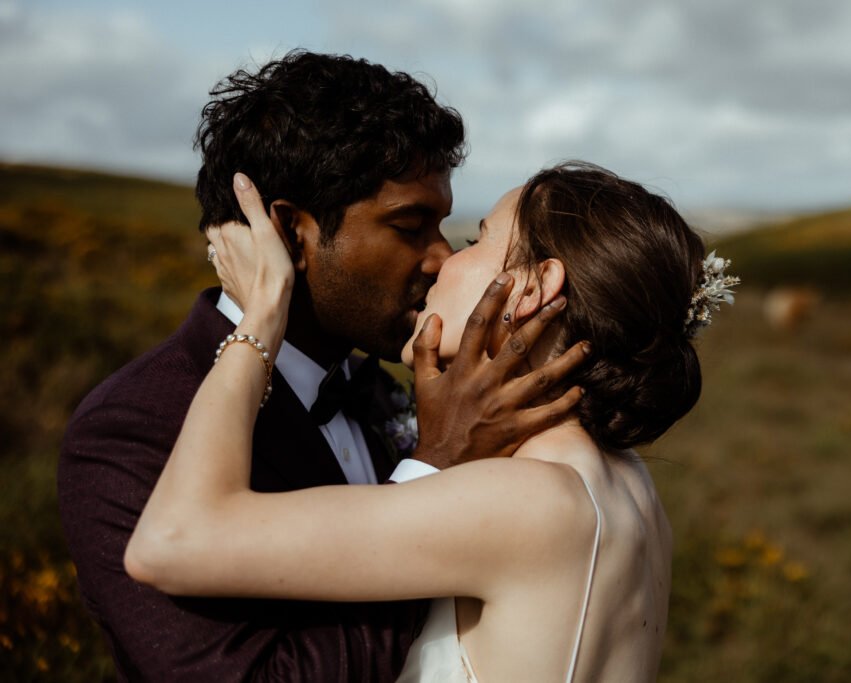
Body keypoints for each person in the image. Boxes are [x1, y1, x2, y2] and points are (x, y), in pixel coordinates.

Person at [59, 51, 584, 682]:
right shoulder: (133, 427)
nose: (442, 259)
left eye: (444, 226)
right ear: (288, 233)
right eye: (410, 225)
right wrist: (438, 472)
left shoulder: (378, 389)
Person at [125, 162, 739, 682]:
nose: (444, 261)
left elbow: (171, 540)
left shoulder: (523, 501)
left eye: (477, 241)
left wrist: (260, 315)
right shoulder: (628, 483)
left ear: (532, 287)